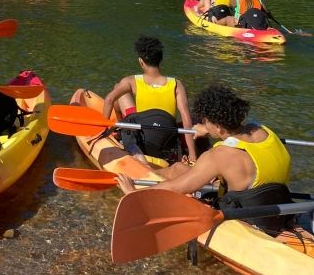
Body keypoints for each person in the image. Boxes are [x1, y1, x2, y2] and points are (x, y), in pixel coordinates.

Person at [117, 84, 293, 227]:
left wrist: (133, 195)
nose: (202, 123)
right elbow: (239, 136)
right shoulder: (264, 131)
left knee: (177, 174)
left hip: (245, 218)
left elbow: (177, 188)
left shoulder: (218, 156)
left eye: (205, 121)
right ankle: (146, 170)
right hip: (276, 207)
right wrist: (207, 130)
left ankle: (140, 176)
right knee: (179, 167)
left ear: (218, 127)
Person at [102, 35, 196, 164]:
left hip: (143, 140)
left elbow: (109, 99)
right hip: (166, 142)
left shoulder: (132, 81)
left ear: (141, 61)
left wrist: (103, 129)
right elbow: (186, 121)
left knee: (118, 89)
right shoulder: (176, 84)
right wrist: (192, 155)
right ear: (160, 60)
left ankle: (121, 132)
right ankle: (122, 128)